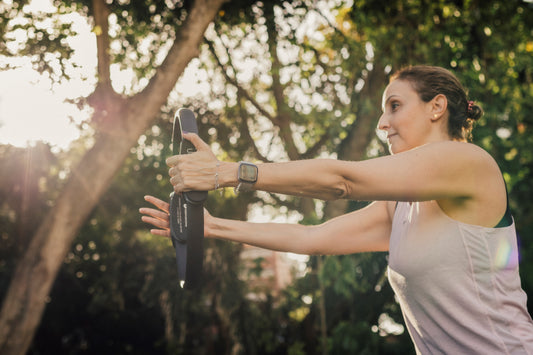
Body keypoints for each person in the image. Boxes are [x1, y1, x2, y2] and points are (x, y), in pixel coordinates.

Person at [140, 65, 533, 353]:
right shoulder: (400, 208)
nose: (383, 123)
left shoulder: (468, 164)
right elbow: (312, 238)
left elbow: (343, 180)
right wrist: (211, 227)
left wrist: (224, 172)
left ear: (437, 107)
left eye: (394, 105)